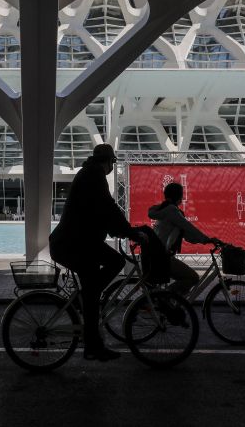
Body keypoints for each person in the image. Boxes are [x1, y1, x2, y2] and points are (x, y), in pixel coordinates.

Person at [49, 143, 148, 362]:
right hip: (74, 244)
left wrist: (124, 230)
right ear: (109, 162)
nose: (112, 166)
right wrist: (130, 232)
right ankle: (93, 344)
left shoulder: (89, 172)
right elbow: (108, 207)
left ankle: (90, 303)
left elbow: (100, 212)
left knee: (98, 281)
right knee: (113, 264)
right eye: (113, 162)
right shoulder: (95, 175)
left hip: (76, 242)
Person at [148, 182, 220, 295]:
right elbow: (189, 228)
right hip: (161, 257)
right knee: (192, 278)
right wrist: (207, 239)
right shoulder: (172, 210)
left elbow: (187, 235)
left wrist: (203, 240)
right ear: (179, 197)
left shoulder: (165, 209)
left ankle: (167, 298)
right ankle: (164, 296)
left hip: (156, 255)